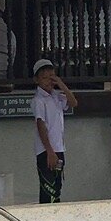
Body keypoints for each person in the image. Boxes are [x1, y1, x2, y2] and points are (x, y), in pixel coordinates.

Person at [30, 58, 75, 204]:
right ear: (36, 80)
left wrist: (60, 84)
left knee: (57, 187)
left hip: (59, 148)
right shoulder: (38, 100)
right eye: (44, 78)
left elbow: (74, 102)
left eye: (51, 77)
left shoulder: (55, 96)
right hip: (47, 151)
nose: (48, 81)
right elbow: (40, 124)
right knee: (47, 189)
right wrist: (49, 151)